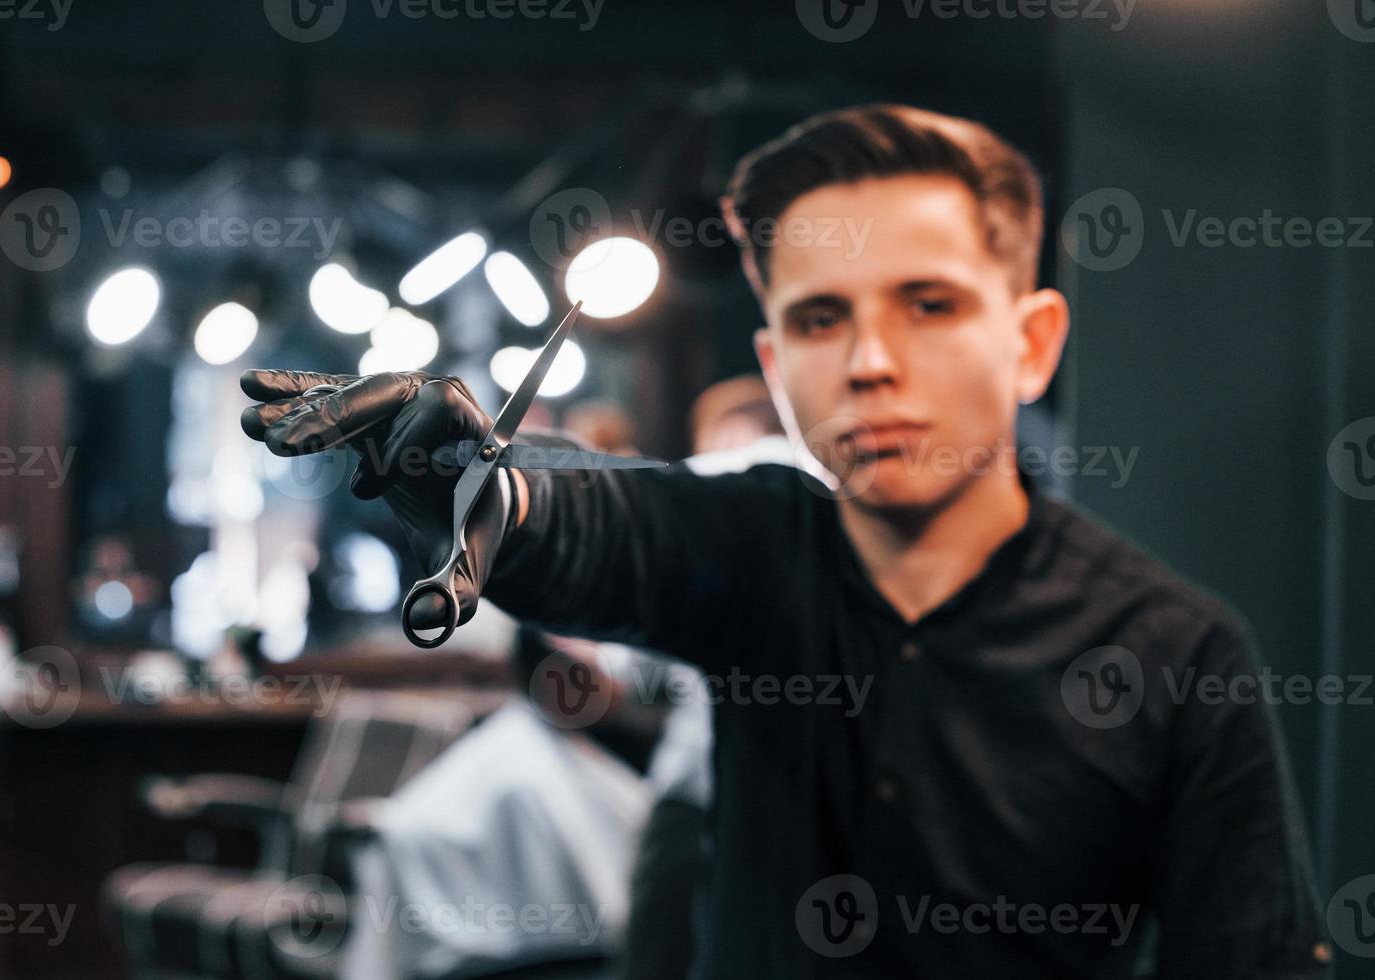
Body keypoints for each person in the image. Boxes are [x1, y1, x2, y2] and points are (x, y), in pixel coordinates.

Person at [240, 104, 1328, 978]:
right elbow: (605, 521)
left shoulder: (1175, 654)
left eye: (929, 303)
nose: (867, 362)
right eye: (820, 319)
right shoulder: (756, 544)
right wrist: (472, 481)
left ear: (1032, 341)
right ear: (773, 363)